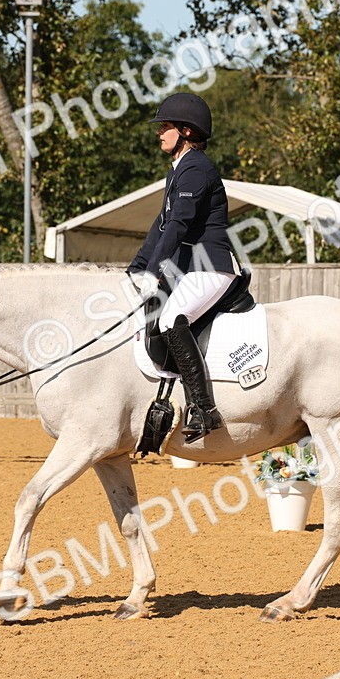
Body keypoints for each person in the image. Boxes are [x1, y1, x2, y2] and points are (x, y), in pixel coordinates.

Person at [127, 92, 236, 442]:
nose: (159, 132)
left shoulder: (196, 170)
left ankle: (203, 409)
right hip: (193, 268)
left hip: (212, 266)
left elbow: (179, 226)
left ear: (186, 132)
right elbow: (161, 224)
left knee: (173, 318)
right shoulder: (179, 170)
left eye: (166, 126)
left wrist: (156, 271)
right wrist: (138, 268)